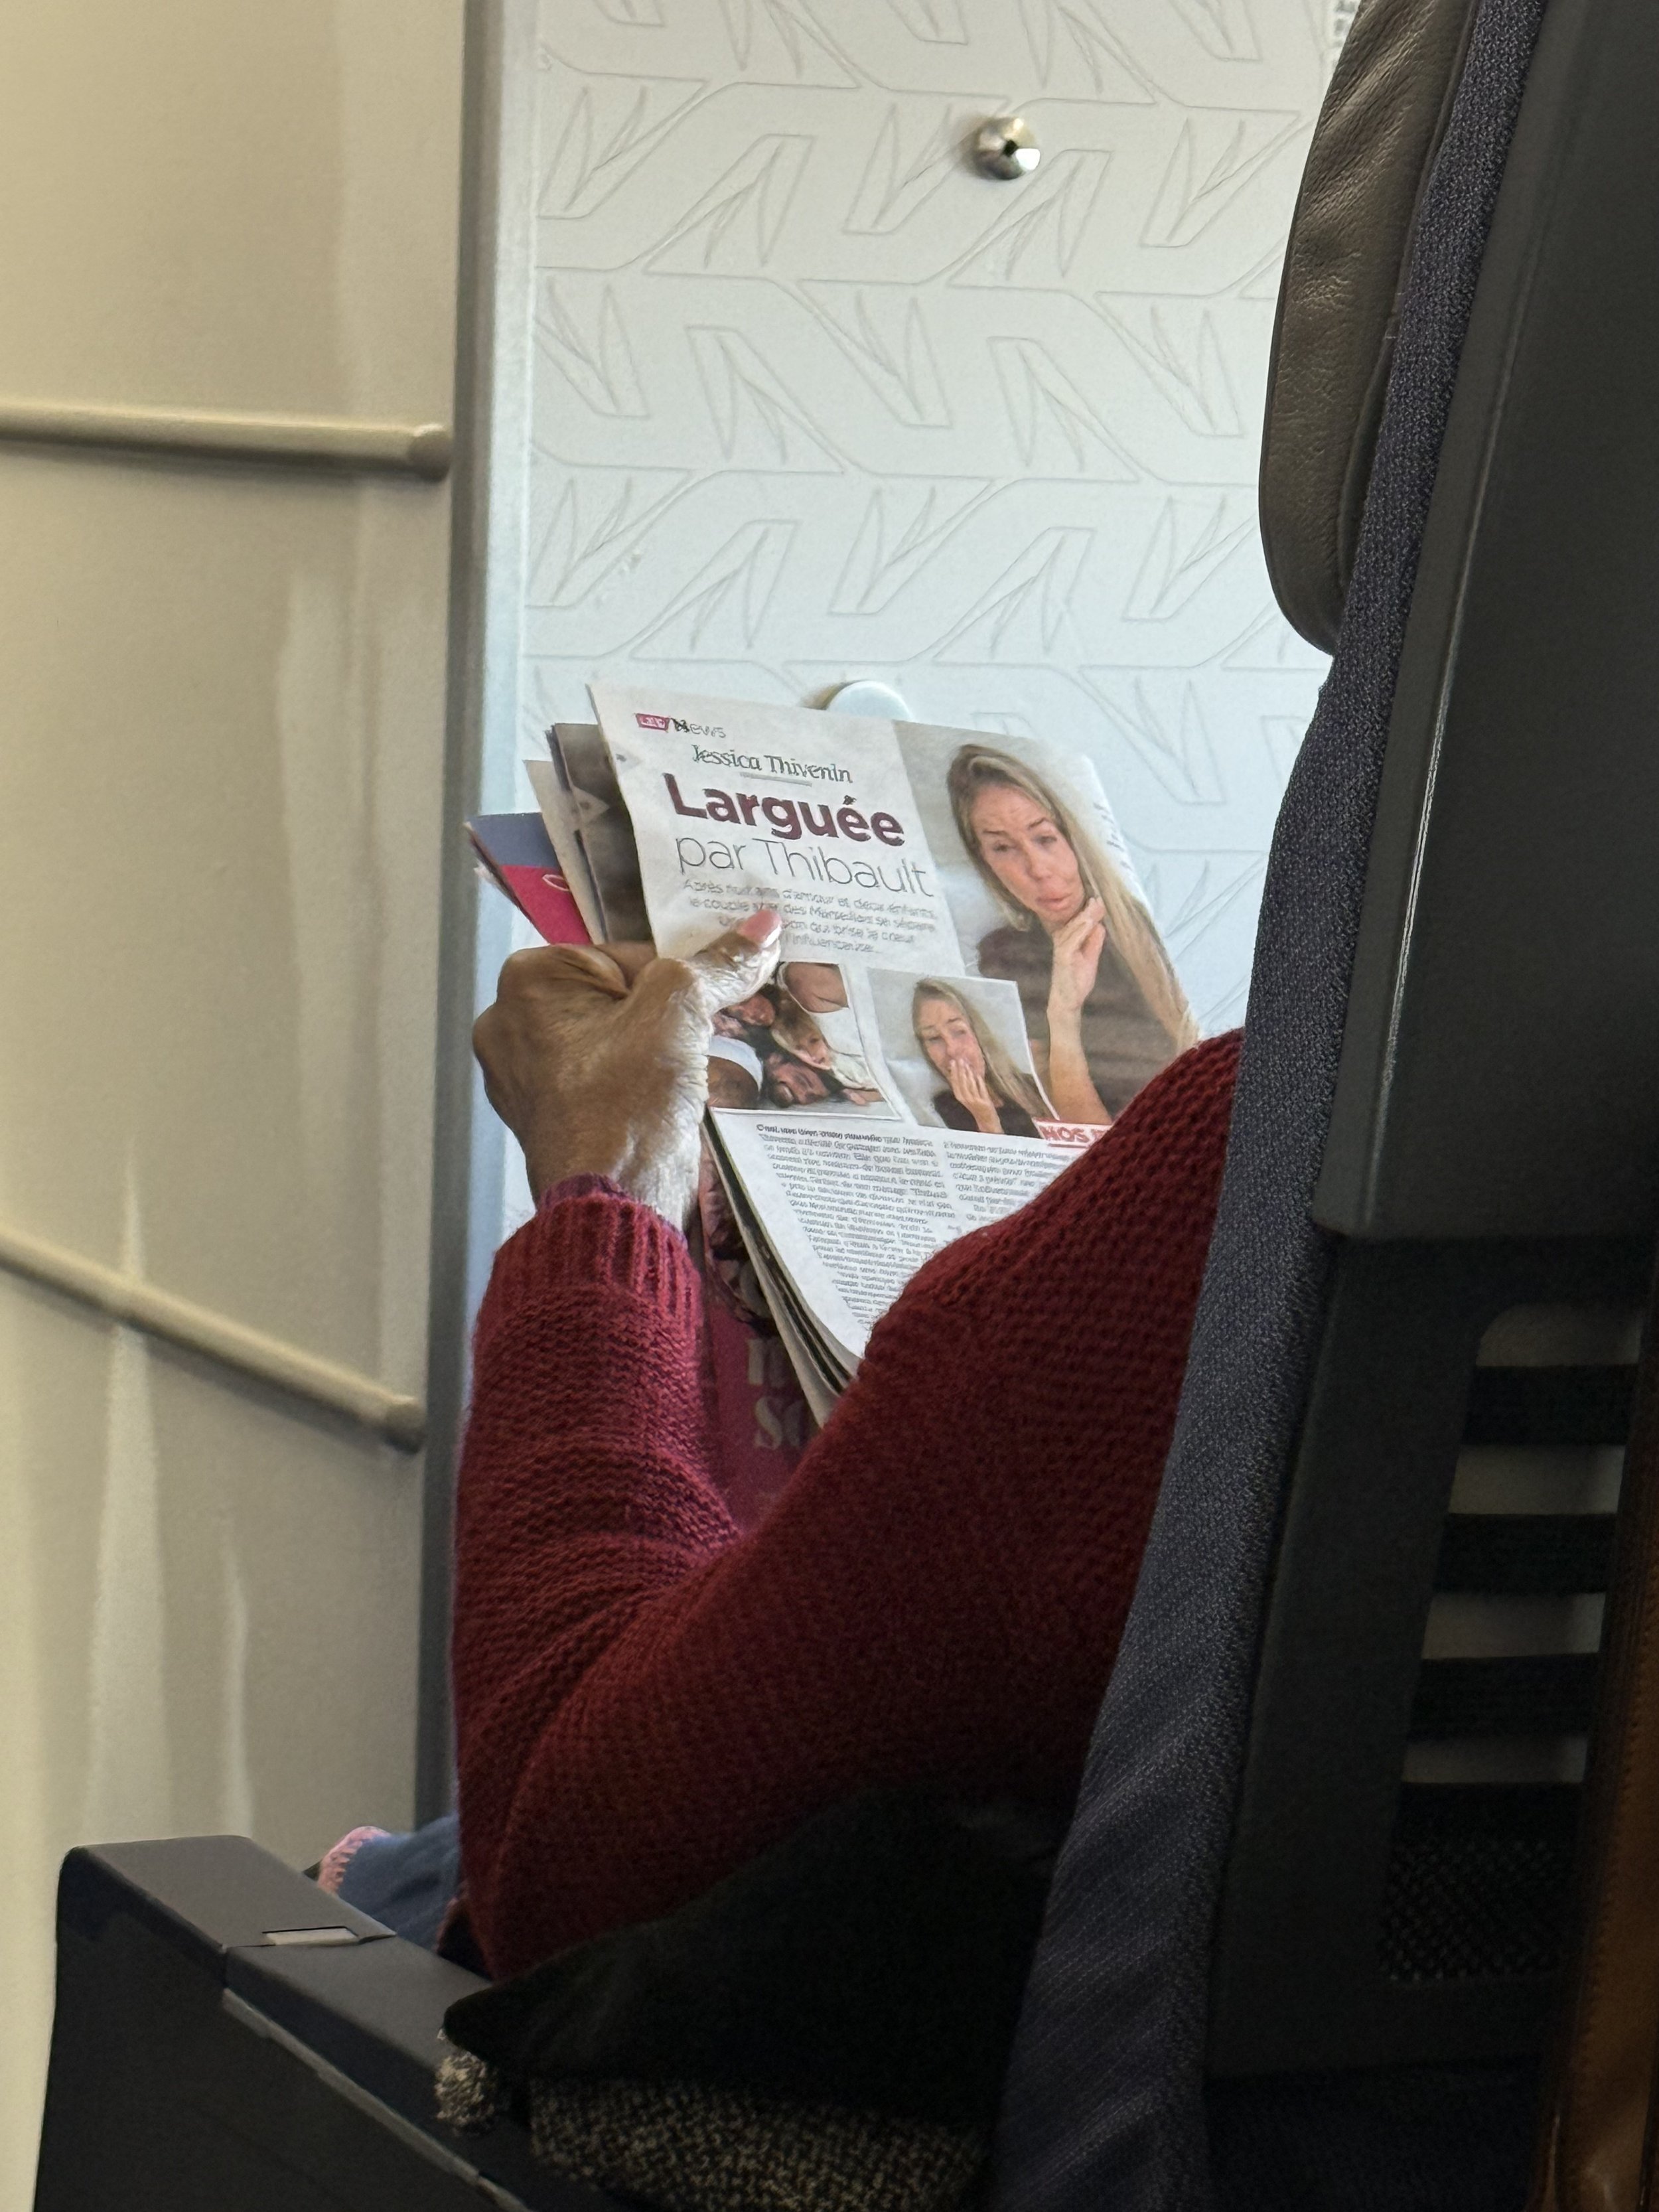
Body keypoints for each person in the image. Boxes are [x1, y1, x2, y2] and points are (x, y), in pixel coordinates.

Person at [325, 915, 1241, 1980]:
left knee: (367, 1901)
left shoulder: (1226, 1171)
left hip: (1031, 2049)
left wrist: (604, 1185)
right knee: (407, 1867)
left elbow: (567, 1862)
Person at [946, 745, 1198, 1126]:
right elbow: (1085, 1132)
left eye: (1045, 839)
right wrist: (1063, 1009)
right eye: (1003, 848)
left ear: (1072, 837)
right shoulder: (1005, 957)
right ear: (986, 863)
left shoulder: (1144, 929)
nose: (1038, 869)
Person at [910, 979, 1046, 1138]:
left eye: (959, 1032)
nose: (952, 1050)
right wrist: (986, 1122)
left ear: (978, 1033)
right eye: (934, 1038)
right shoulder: (939, 1111)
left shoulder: (1028, 1087)